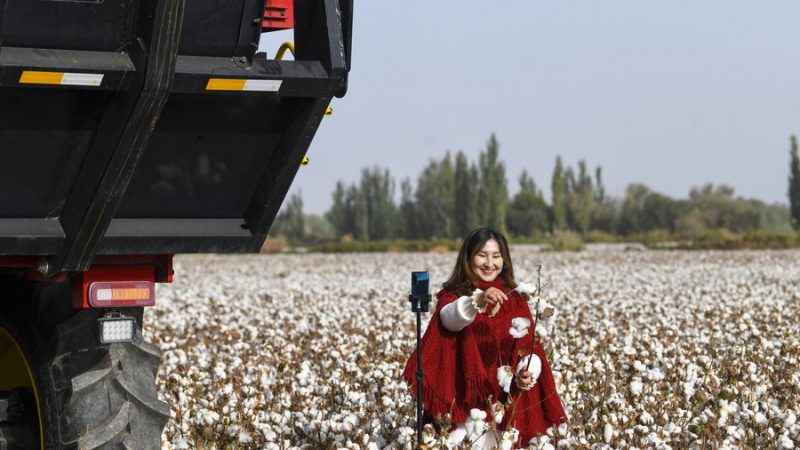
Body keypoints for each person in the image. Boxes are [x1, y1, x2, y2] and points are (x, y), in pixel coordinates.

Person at [403, 227, 567, 448]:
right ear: (468, 258)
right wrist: (478, 301)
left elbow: (527, 346)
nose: (490, 263)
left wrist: (527, 370)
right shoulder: (454, 295)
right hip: (463, 412)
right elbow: (449, 319)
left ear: (504, 260)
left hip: (503, 410)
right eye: (482, 255)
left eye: (496, 256)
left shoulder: (515, 297)